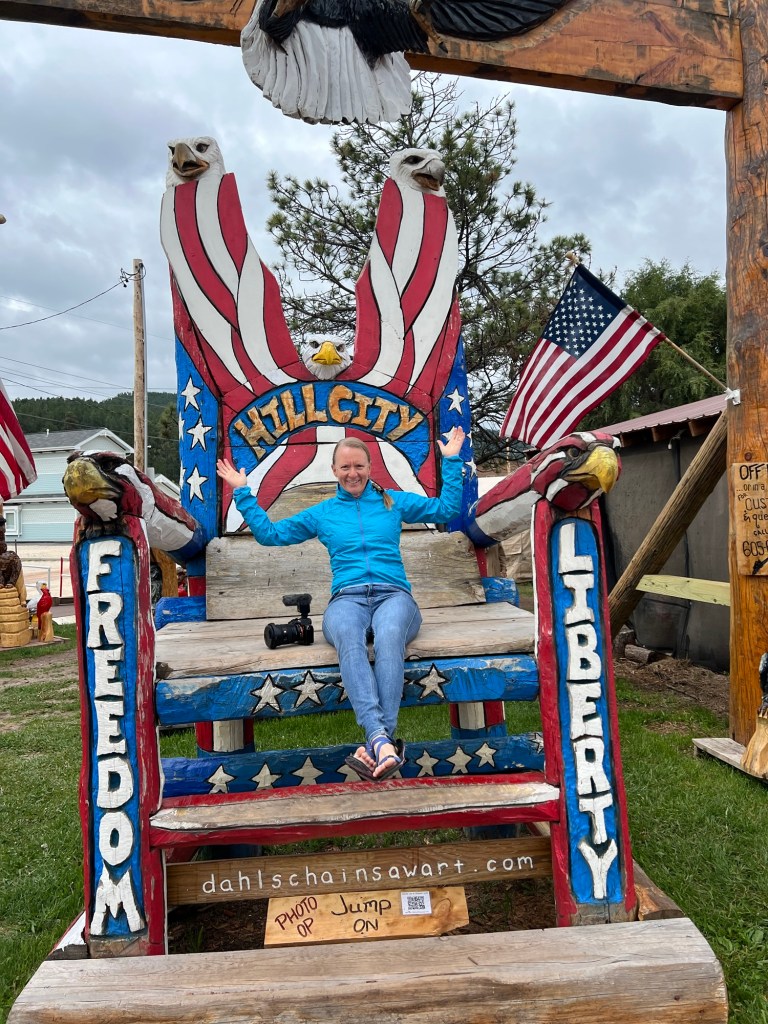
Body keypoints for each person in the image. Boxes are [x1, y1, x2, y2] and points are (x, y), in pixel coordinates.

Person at [216, 426, 465, 780]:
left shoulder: (393, 502)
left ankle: (377, 740)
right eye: (345, 467)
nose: (353, 473)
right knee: (348, 634)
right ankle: (384, 744)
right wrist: (243, 493)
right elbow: (270, 535)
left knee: (389, 634)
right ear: (334, 470)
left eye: (359, 466)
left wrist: (451, 460)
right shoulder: (323, 513)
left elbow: (446, 508)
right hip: (347, 599)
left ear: (370, 467)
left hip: (394, 595)